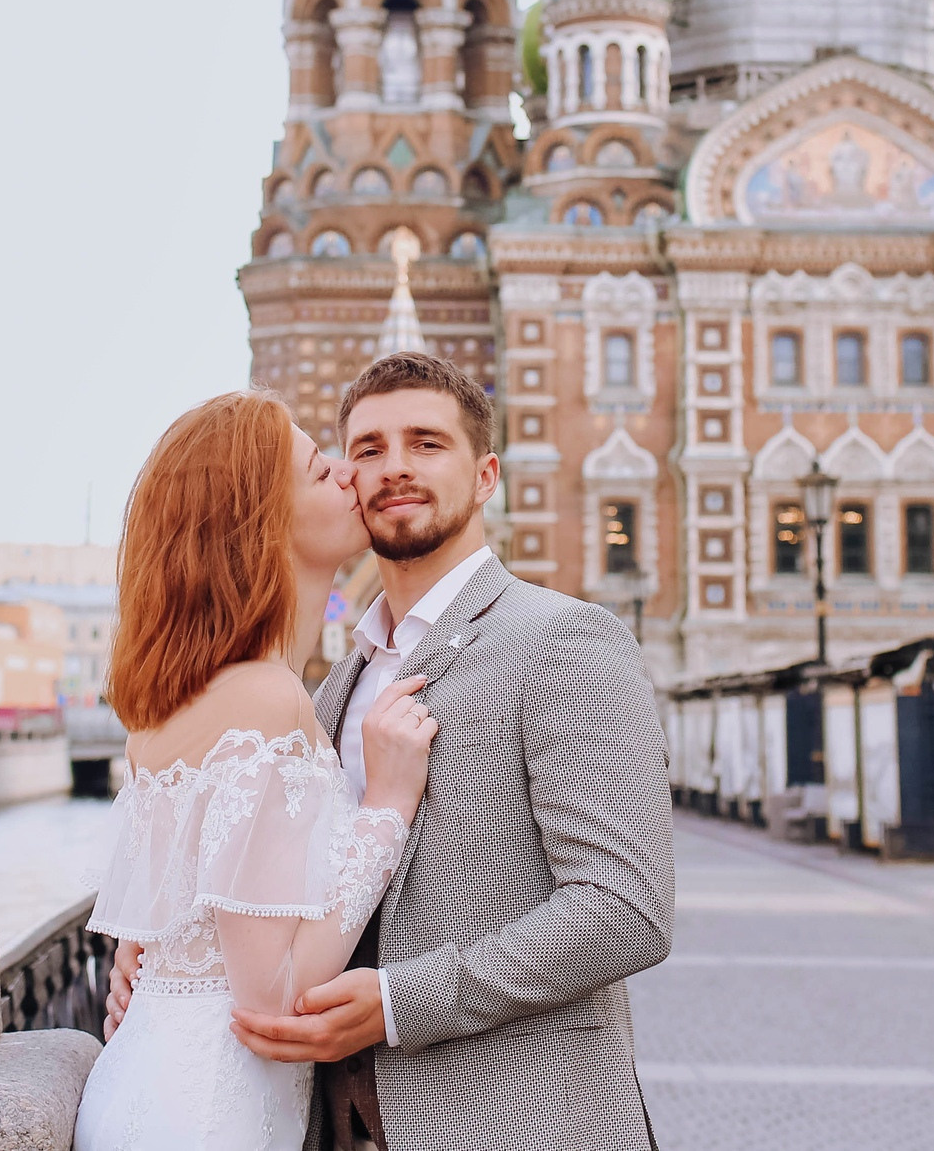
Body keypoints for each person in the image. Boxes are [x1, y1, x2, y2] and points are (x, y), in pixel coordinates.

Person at [231, 351, 675, 1151]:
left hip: (523, 1121)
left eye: (427, 443)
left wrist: (403, 1002)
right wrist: (148, 949)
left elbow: (625, 908)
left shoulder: (563, 639)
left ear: (485, 475)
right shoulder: (331, 687)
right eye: (368, 449)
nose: (394, 467)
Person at [75, 390, 439, 1151]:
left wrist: (142, 953)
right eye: (319, 470)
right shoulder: (266, 698)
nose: (349, 473)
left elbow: (175, 917)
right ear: (260, 526)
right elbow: (274, 997)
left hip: (149, 1081)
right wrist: (389, 807)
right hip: (212, 1112)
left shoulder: (177, 702)